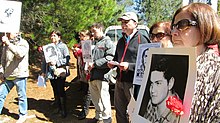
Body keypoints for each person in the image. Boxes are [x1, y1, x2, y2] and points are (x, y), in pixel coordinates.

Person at [171, 3, 220, 122]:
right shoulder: (168, 66)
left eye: (182, 25)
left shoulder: (216, 72)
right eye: (173, 27)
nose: (174, 33)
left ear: (205, 26)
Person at [108, 12, 150, 123]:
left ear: (135, 23)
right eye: (122, 22)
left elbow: (148, 63)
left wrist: (129, 66)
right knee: (120, 111)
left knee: (135, 112)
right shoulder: (121, 40)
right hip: (119, 81)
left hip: (134, 83)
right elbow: (117, 57)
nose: (123, 25)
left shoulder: (143, 39)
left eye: (126, 22)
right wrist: (113, 63)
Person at [88, 23, 115, 123]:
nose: (93, 33)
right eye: (92, 31)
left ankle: (106, 119)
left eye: (94, 31)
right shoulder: (93, 43)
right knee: (95, 99)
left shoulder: (107, 42)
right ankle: (98, 117)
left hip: (102, 76)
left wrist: (95, 64)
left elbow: (110, 58)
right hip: (92, 75)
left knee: (104, 99)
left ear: (100, 29)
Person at [0, 32, 29, 123]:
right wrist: (1, 71)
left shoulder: (23, 43)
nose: (8, 34)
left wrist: (8, 43)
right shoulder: (6, 44)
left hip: (20, 75)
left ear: (17, 33)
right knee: (1, 94)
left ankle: (23, 114)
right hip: (8, 75)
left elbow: (19, 54)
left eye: (10, 32)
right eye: (7, 33)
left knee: (21, 96)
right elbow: (3, 59)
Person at [41, 30, 70, 118]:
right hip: (51, 72)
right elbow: (44, 61)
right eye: (51, 36)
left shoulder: (63, 46)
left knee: (60, 89)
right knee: (55, 89)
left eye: (54, 36)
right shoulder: (48, 47)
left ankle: (63, 109)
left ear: (59, 37)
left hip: (60, 71)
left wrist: (57, 62)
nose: (52, 37)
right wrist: (43, 71)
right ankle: (58, 107)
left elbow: (67, 59)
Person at [143, 57, 181, 123]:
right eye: (151, 84)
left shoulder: (178, 116)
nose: (152, 90)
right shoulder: (152, 103)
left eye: (158, 83)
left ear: (170, 83)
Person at [72, 30, 92, 120]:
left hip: (88, 71)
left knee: (88, 92)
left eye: (83, 36)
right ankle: (84, 109)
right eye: (80, 36)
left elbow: (86, 54)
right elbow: (77, 56)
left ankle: (85, 111)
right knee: (85, 91)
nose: (81, 38)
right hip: (82, 71)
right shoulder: (81, 44)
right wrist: (76, 51)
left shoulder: (89, 44)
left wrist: (78, 51)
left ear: (88, 36)